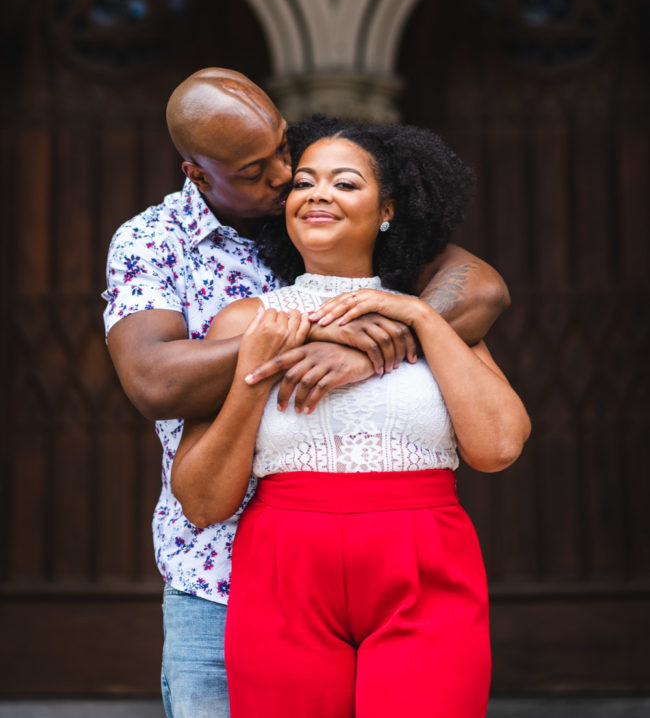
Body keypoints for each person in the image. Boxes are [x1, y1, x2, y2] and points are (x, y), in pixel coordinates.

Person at [103, 69, 511, 718]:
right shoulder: (155, 243)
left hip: (408, 557)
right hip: (219, 571)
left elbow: (480, 287)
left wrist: (382, 334)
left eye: (285, 149)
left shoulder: (380, 254)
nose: (285, 176)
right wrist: (299, 335)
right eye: (255, 170)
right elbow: (156, 381)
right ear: (198, 174)